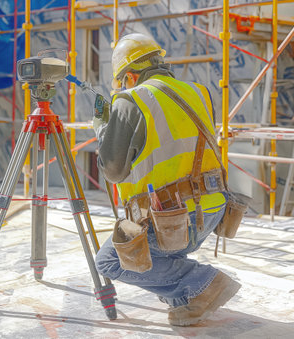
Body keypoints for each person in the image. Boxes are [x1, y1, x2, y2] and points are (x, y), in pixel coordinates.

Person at [93, 33, 241, 327]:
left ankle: (202, 283)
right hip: (212, 211)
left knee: (109, 261)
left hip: (172, 222)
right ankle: (183, 297)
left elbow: (112, 170)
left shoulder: (131, 99)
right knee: (160, 254)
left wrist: (103, 128)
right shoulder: (197, 91)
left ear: (130, 76)